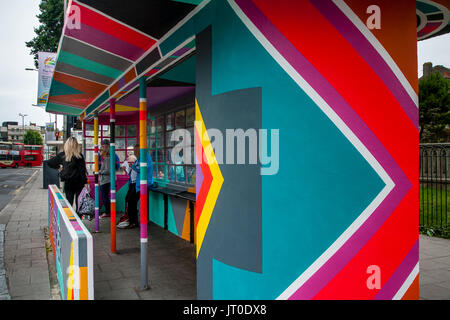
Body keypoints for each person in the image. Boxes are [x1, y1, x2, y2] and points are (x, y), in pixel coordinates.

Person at [47, 136, 88, 217]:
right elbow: (82, 171)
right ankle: (78, 221)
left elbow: (49, 162)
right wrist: (85, 183)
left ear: (67, 145)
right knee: (79, 204)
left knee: (69, 203)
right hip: (79, 183)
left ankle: (69, 221)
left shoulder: (62, 155)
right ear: (76, 145)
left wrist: (59, 168)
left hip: (68, 182)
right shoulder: (80, 156)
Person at [118, 144, 153, 229]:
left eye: (136, 151)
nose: (135, 153)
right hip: (134, 183)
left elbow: (142, 168)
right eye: (134, 151)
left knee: (132, 201)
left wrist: (133, 166)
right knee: (128, 199)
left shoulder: (146, 158)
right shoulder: (139, 158)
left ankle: (133, 221)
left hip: (141, 184)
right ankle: (131, 219)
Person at [99, 145, 111, 219]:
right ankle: (107, 211)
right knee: (105, 197)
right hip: (105, 180)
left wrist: (99, 172)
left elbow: (108, 170)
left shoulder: (107, 159)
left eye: (101, 150)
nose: (99, 152)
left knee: (105, 197)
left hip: (105, 181)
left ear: (104, 152)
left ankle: (107, 212)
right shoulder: (106, 159)